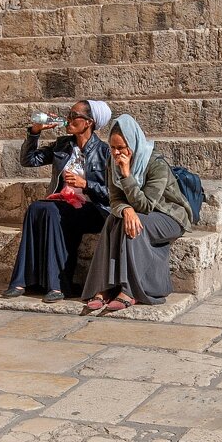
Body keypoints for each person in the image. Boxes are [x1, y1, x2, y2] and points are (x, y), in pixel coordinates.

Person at [2, 100, 113, 303]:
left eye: (73, 115)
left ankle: (58, 284)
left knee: (53, 211)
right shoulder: (63, 145)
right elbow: (29, 160)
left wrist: (85, 184)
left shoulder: (104, 152)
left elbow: (113, 193)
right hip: (64, 204)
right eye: (69, 115)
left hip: (94, 209)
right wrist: (35, 132)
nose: (68, 119)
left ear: (89, 122)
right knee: (36, 208)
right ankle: (21, 281)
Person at [82, 114, 192, 310]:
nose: (116, 153)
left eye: (121, 148)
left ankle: (130, 290)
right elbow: (114, 198)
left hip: (170, 216)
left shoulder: (155, 163)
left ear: (132, 144)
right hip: (137, 211)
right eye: (113, 148)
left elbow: (146, 205)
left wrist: (126, 175)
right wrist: (125, 209)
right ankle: (105, 286)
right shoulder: (112, 161)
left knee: (135, 223)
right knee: (112, 221)